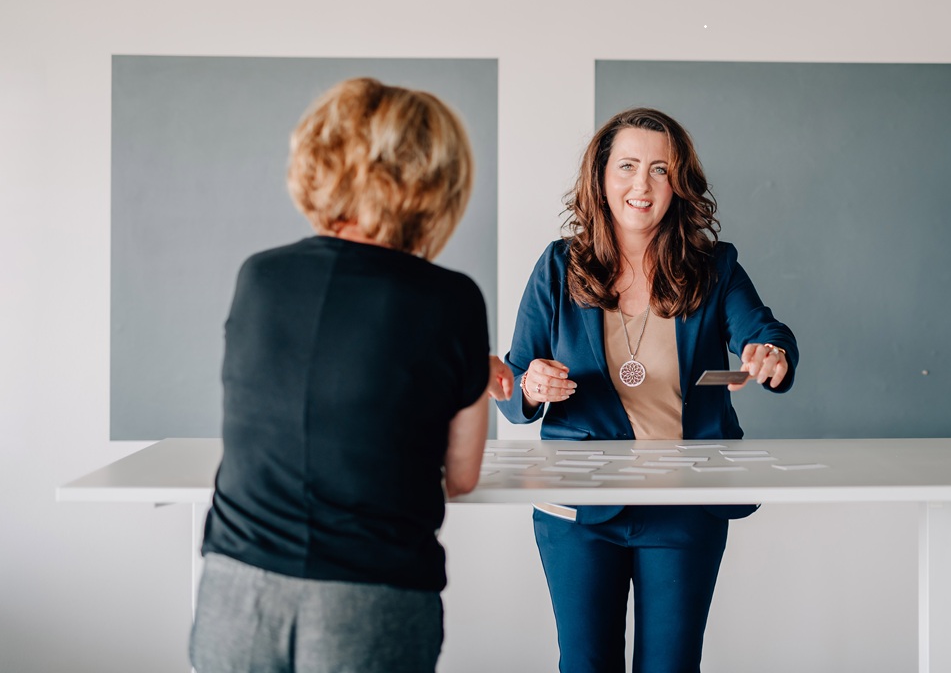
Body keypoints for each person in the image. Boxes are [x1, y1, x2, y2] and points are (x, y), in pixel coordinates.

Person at [190, 78, 513, 673]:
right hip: (370, 596)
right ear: (435, 182)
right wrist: (469, 370)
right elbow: (462, 475)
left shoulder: (258, 278)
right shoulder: (451, 300)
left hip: (236, 589)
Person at [497, 107, 798, 673]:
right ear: (601, 178)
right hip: (579, 511)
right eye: (628, 166)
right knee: (586, 666)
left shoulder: (714, 267)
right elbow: (514, 380)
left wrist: (771, 353)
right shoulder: (558, 267)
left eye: (660, 170)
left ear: (678, 183)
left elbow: (764, 331)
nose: (642, 184)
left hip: (684, 506)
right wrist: (534, 385)